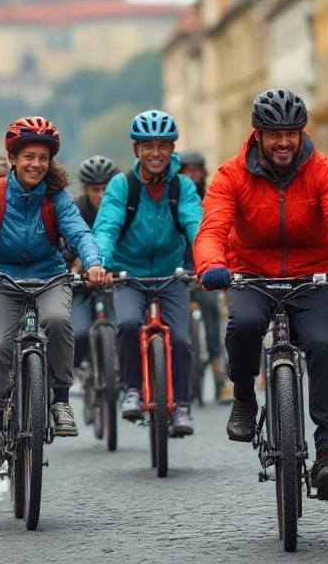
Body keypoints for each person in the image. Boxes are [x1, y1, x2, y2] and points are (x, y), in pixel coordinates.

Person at [194, 87, 328, 502]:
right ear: (257, 135)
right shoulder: (231, 175)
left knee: (323, 345)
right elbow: (212, 230)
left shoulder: (324, 171)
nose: (285, 142)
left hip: (313, 277)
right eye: (274, 134)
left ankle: (327, 453)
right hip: (251, 274)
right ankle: (242, 397)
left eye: (292, 132)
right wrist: (213, 267)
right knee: (245, 324)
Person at [0, 116, 107, 480]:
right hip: (1, 277)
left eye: (43, 157)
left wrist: (94, 263)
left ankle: (60, 401)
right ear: (12, 157)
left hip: (49, 275)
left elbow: (81, 233)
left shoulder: (57, 199)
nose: (36, 164)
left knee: (57, 320)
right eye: (28, 156)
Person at [91, 111, 202, 435]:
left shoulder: (182, 186)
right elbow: (107, 227)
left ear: (172, 149)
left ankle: (181, 405)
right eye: (148, 145)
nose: (156, 152)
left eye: (163, 145)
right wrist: (100, 264)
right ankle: (132, 389)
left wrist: (207, 262)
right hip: (129, 275)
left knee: (181, 339)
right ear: (136, 149)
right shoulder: (121, 186)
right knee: (125, 323)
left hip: (171, 274)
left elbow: (196, 225)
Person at [179, 149, 230, 402]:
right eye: (187, 170)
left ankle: (219, 373)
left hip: (205, 269)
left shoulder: (212, 198)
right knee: (178, 319)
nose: (192, 175)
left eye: (196, 170)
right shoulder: (172, 197)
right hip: (179, 270)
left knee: (211, 309)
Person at [70, 155, 120, 372]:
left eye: (106, 189)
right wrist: (74, 272)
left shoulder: (122, 210)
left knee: (122, 329)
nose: (101, 195)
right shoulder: (75, 211)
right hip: (80, 285)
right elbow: (64, 249)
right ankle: (78, 371)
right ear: (85, 189)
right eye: (95, 190)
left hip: (113, 282)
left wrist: (115, 272)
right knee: (78, 332)